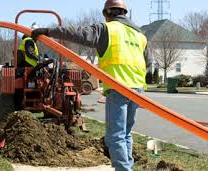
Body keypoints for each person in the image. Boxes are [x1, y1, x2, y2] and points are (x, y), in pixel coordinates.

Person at [31, 0, 147, 170]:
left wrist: (48, 31)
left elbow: (77, 33)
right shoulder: (140, 35)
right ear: (124, 12)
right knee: (125, 134)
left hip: (119, 87)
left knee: (115, 136)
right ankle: (127, 167)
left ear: (106, 13)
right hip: (137, 89)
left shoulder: (107, 29)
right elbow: (148, 62)